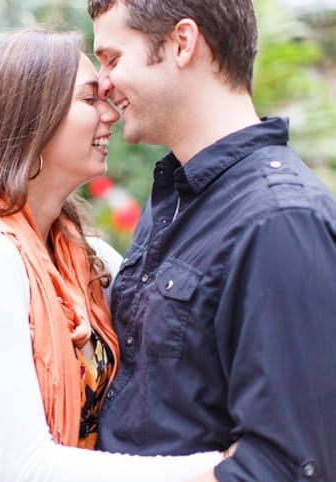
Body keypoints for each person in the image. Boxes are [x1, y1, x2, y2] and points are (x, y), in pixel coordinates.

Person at [0, 27, 226, 481]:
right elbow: (26, 466)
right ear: (28, 119)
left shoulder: (92, 261)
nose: (109, 114)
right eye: (89, 100)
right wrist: (217, 470)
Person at [88, 1, 336, 480]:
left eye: (113, 59)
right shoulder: (176, 199)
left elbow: (288, 463)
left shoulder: (280, 220)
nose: (103, 83)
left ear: (182, 43)